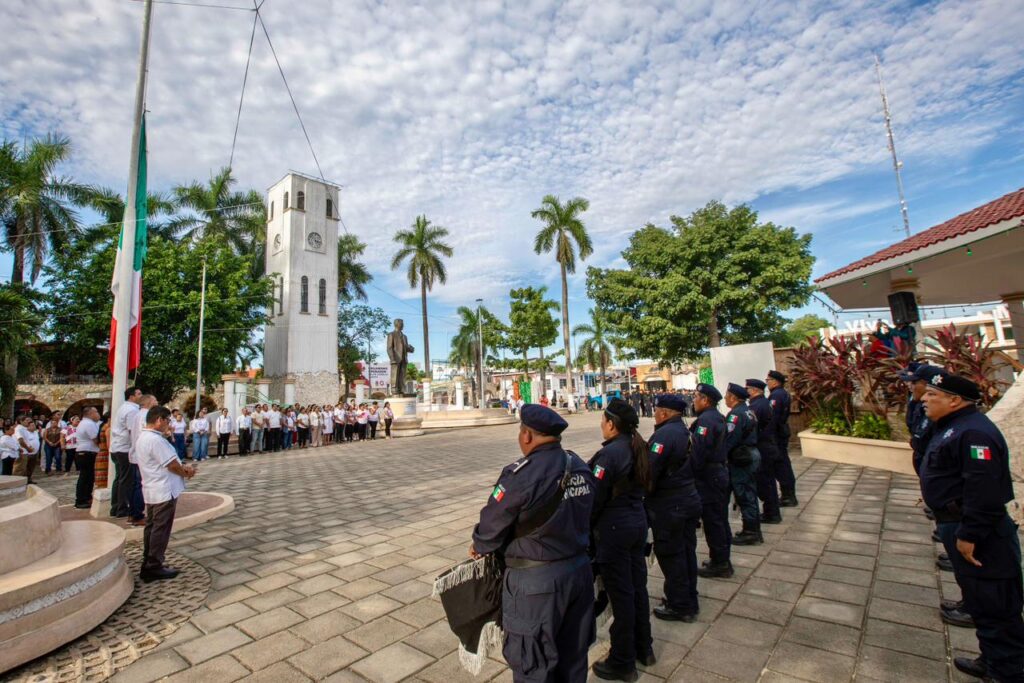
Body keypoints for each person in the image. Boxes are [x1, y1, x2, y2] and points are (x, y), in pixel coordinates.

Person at [470, 404, 596, 682]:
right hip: (579, 573)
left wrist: (480, 544)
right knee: (573, 661)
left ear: (527, 435)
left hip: (536, 585)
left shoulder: (522, 474)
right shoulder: (579, 465)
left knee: (533, 667)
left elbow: (492, 523)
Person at [919, 370, 1024, 683]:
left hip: (981, 533)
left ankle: (1008, 671)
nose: (925, 399)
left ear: (954, 400)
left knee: (995, 605)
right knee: (980, 601)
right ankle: (992, 659)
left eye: (932, 395)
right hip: (957, 523)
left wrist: (969, 534)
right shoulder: (956, 426)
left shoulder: (975, 433)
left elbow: (985, 489)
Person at [588, 398, 655, 680]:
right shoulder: (638, 446)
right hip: (636, 523)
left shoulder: (610, 455)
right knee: (637, 588)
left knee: (621, 594)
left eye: (603, 420)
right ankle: (644, 648)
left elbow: (594, 498)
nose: (601, 425)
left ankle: (622, 660)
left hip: (615, 530)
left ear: (612, 425)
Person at [646, 393, 703, 622]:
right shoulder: (685, 430)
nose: (655, 414)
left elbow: (649, 472)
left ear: (664, 412)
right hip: (688, 499)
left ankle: (680, 605)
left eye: (657, 410)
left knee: (672, 555)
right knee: (687, 552)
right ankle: (689, 597)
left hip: (671, 505)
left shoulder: (664, 435)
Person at [135, 406, 196, 582]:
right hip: (163, 489)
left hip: (153, 488)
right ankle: (153, 565)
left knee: (152, 527)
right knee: (160, 529)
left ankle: (149, 561)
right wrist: (186, 472)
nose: (169, 424)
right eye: (167, 420)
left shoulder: (144, 438)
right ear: (159, 420)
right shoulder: (155, 440)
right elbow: (171, 465)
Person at [690, 384, 732, 579]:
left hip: (710, 477)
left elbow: (699, 454)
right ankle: (720, 558)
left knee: (714, 521)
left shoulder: (706, 421)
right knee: (720, 519)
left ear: (705, 400)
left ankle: (721, 563)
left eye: (696, 397)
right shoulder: (717, 416)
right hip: (718, 472)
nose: (694, 400)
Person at [723, 384, 762, 546]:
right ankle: (753, 529)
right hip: (751, 453)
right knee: (749, 492)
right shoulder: (748, 411)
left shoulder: (736, 415)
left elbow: (729, 440)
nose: (725, 398)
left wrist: (721, 456)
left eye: (727, 395)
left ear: (733, 397)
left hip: (742, 456)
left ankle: (751, 532)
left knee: (744, 494)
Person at [747, 379, 781, 525]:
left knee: (765, 482)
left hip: (763, 447)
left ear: (754, 390)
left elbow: (751, 428)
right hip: (769, 445)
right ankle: (771, 511)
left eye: (747, 389)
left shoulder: (756, 406)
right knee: (769, 482)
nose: (745, 391)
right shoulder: (764, 402)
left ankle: (771, 513)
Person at [766, 370, 797, 507]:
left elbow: (772, 417)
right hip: (781, 431)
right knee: (783, 463)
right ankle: (788, 494)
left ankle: (788, 496)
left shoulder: (776, 396)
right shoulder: (782, 393)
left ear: (775, 382)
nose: (767, 382)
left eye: (768, 380)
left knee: (781, 465)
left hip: (776, 434)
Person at [110, 386, 142, 518]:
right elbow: (132, 430)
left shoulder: (124, 408)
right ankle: (122, 508)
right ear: (131, 396)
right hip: (124, 448)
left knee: (119, 478)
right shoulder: (131, 410)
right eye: (139, 393)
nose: (141, 395)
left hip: (117, 447)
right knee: (126, 480)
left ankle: (116, 507)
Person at [128, 395, 158, 526]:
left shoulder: (137, 415)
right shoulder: (146, 416)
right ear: (149, 403)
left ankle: (132, 512)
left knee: (135, 485)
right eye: (155, 400)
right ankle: (137, 515)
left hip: (136, 454)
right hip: (142, 455)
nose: (157, 402)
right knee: (140, 486)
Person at [74, 407, 101, 509]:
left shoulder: (86, 423)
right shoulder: (88, 424)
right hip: (86, 452)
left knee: (89, 477)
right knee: (85, 477)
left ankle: (86, 497)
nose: (98, 414)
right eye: (96, 412)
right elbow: (95, 439)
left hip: (86, 452)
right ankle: (81, 500)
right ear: (91, 413)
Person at [14, 415, 42, 483]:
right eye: (26, 420)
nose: (28, 422)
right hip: (22, 451)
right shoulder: (19, 429)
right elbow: (20, 440)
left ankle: (25, 481)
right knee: (20, 469)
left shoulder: (24, 428)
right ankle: (17, 483)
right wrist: (28, 448)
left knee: (25, 468)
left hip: (27, 451)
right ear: (21, 421)